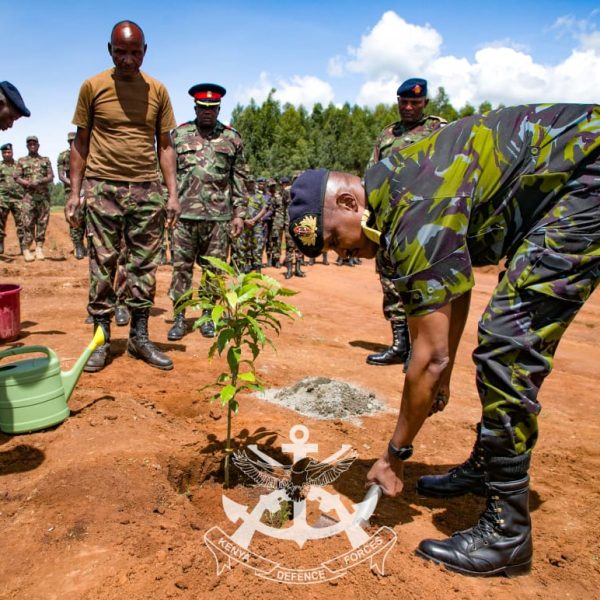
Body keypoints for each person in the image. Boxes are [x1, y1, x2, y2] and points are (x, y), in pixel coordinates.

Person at [288, 104, 600, 577]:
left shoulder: (413, 209)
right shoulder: (392, 183)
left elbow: (428, 356)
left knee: (508, 343)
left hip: (588, 178)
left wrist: (394, 455)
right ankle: (484, 467)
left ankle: (508, 532)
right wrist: (446, 368)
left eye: (335, 239)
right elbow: (456, 290)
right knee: (497, 335)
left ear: (350, 204)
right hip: (574, 176)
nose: (343, 252)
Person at [65, 20, 180, 372]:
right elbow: (80, 144)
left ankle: (139, 338)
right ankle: (101, 340)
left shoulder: (157, 91)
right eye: (120, 52)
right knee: (103, 264)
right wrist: (74, 192)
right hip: (103, 188)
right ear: (109, 50)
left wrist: (172, 194)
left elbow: (166, 145)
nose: (127, 59)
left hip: (147, 190)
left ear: (144, 51)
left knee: (144, 266)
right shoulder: (93, 87)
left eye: (134, 52)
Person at [366, 78, 446, 367]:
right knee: (390, 283)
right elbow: (371, 175)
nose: (409, 107)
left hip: (423, 222)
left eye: (415, 102)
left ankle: (419, 349)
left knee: (421, 285)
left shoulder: (438, 130)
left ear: (425, 103)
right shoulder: (387, 135)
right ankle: (399, 344)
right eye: (404, 102)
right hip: (390, 223)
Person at [167, 83, 246, 341]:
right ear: (195, 107)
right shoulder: (178, 136)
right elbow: (165, 174)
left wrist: (239, 214)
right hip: (184, 217)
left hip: (218, 218)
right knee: (181, 268)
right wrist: (167, 202)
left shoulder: (232, 138)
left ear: (219, 108)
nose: (207, 112)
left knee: (213, 271)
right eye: (203, 108)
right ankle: (179, 317)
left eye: (212, 108)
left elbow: (239, 178)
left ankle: (208, 316)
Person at [14, 136, 54, 262]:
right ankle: (26, 248)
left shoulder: (45, 160)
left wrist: (40, 181)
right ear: (27, 146)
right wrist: (27, 183)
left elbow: (51, 176)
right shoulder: (21, 161)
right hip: (28, 198)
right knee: (27, 223)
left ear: (38, 145)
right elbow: (16, 177)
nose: (32, 145)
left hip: (43, 197)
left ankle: (39, 248)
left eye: (34, 143)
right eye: (30, 143)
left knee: (42, 223)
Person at [57, 132, 87, 260]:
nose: (72, 143)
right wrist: (75, 184)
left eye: (74, 141)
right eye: (70, 141)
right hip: (71, 191)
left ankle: (90, 246)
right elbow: (61, 175)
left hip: (87, 190)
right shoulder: (63, 156)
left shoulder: (87, 153)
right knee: (74, 217)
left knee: (89, 217)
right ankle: (78, 245)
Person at [0, 143, 25, 255]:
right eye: (4, 153)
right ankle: (0, 244)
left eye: (8, 152)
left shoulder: (18, 166)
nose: (6, 154)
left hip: (18, 198)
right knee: (0, 223)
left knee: (21, 223)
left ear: (12, 152)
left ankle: (23, 246)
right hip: (3, 198)